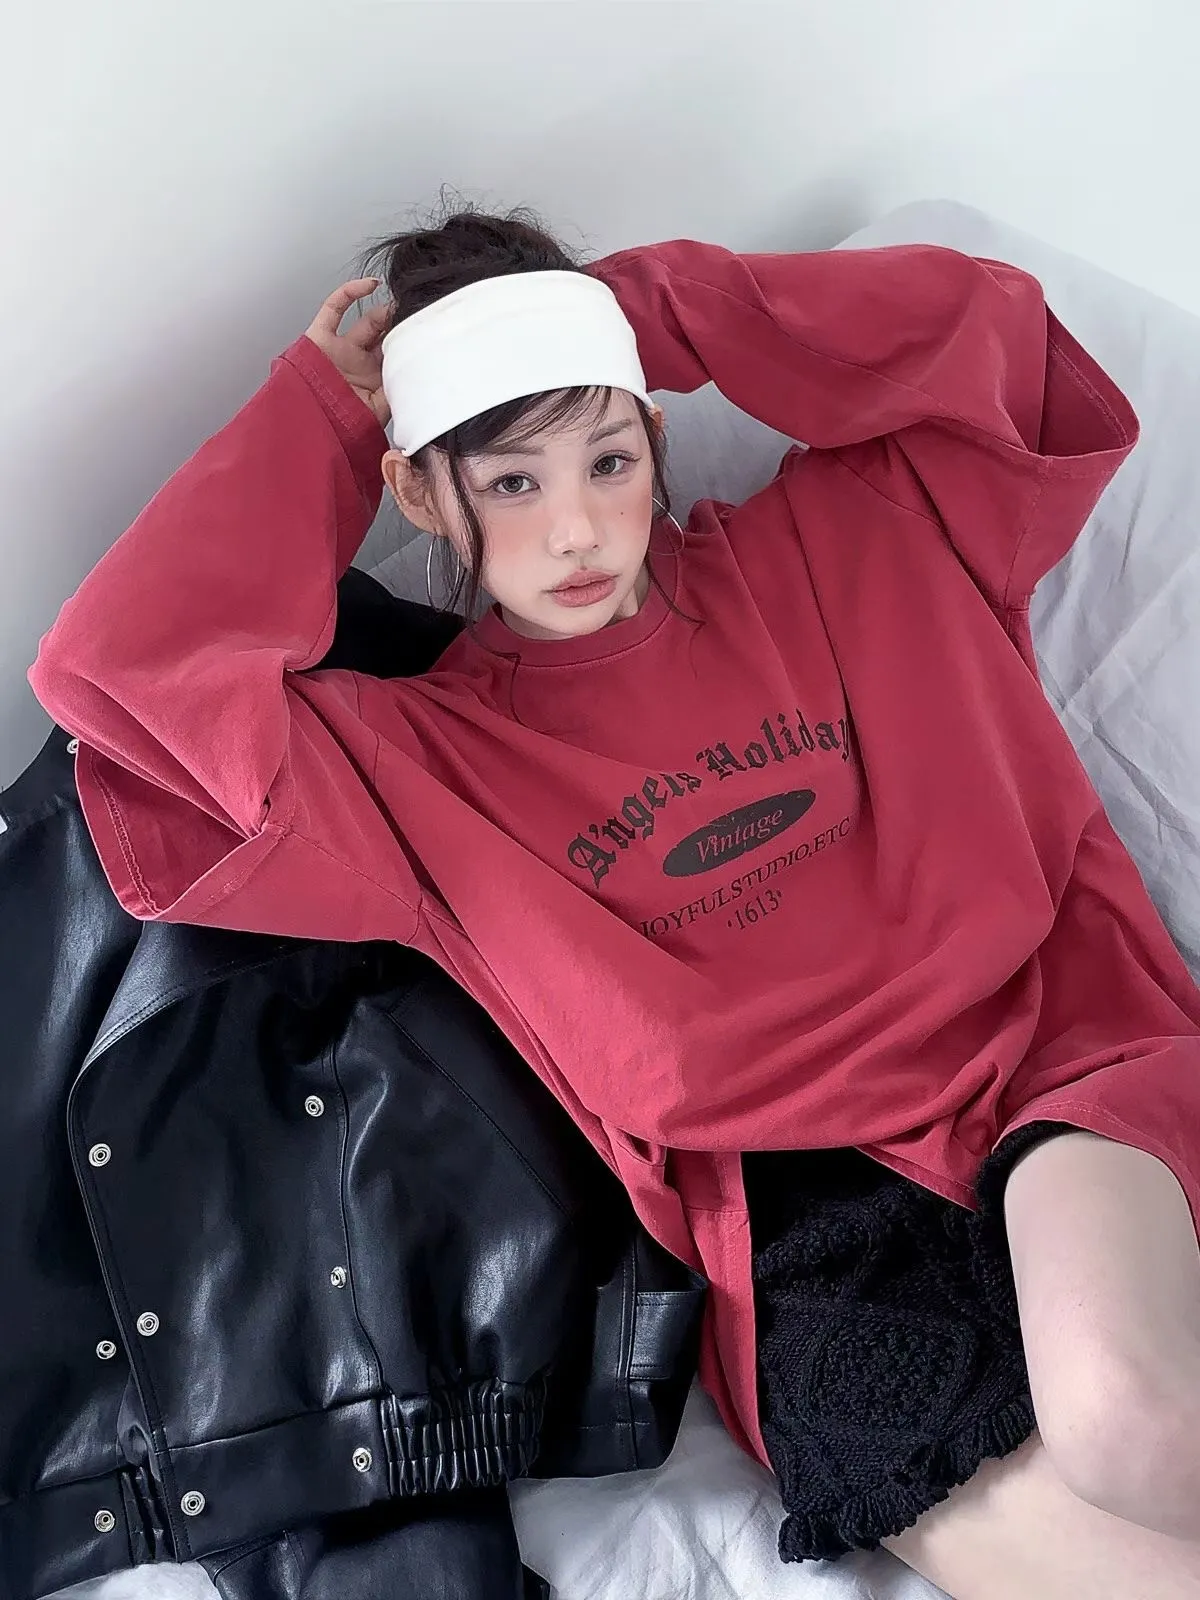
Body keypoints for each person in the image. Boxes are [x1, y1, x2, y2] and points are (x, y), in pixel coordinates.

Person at [29, 201, 1200, 1599]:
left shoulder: (851, 539)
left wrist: (647, 311)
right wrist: (318, 423)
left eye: (609, 458)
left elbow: (1000, 350)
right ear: (423, 496)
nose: (578, 529)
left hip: (1047, 1072)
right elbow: (122, 681)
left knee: (1126, 1424)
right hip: (807, 1249)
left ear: (654, 432)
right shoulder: (410, 763)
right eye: (513, 483)